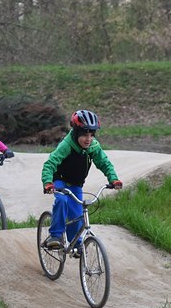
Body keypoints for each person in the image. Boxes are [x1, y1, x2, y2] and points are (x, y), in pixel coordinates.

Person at [41, 110, 122, 257]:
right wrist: (48, 182)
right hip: (59, 179)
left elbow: (105, 163)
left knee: (77, 214)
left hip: (76, 184)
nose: (88, 139)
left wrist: (113, 179)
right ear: (76, 132)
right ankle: (55, 236)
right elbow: (50, 164)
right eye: (85, 134)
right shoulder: (67, 145)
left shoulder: (93, 147)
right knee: (62, 200)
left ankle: (75, 243)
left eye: (92, 135)